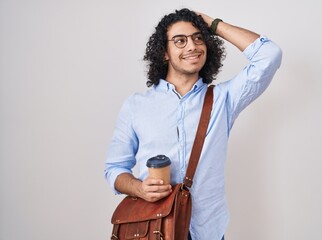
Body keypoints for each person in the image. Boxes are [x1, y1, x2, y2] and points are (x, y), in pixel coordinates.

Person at [104, 8, 282, 240]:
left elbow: (269, 54)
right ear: (164, 52)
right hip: (153, 228)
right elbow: (114, 169)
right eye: (180, 40)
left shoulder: (223, 99)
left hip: (207, 230)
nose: (192, 46)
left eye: (198, 38)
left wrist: (214, 24)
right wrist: (139, 188)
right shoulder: (136, 105)